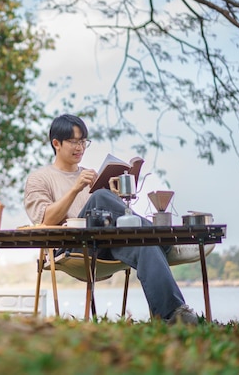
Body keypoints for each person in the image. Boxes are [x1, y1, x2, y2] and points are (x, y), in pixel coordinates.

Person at [24, 114, 198, 324]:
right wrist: (76, 189)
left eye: (83, 142)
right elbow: (45, 219)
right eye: (74, 141)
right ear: (56, 144)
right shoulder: (40, 178)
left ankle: (174, 315)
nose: (80, 147)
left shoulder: (90, 176)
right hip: (72, 246)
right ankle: (166, 240)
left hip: (105, 241)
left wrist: (115, 198)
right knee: (99, 197)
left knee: (146, 243)